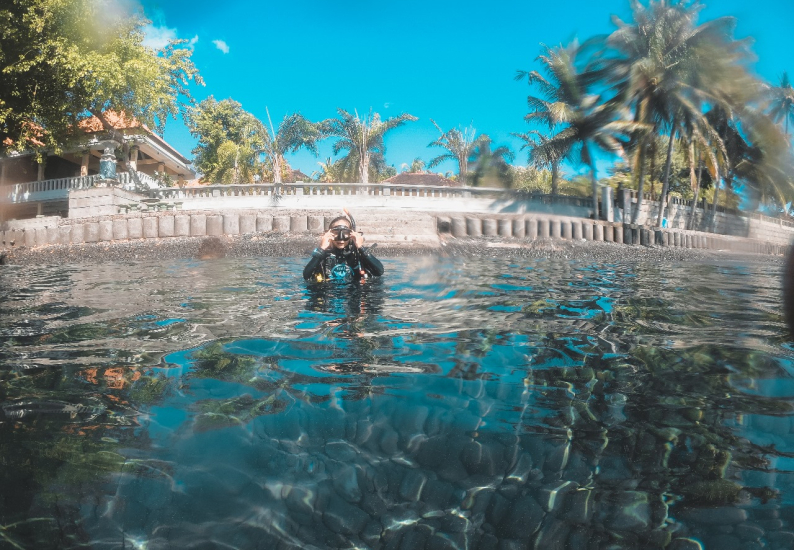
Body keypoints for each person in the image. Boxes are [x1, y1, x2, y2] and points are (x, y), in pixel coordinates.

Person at [303, 215, 384, 283]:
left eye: (345, 233)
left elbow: (379, 271)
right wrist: (322, 249)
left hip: (355, 295)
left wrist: (361, 247)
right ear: (329, 234)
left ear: (352, 234)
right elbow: (306, 276)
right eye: (336, 233)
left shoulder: (359, 253)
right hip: (329, 294)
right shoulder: (322, 253)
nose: (340, 238)